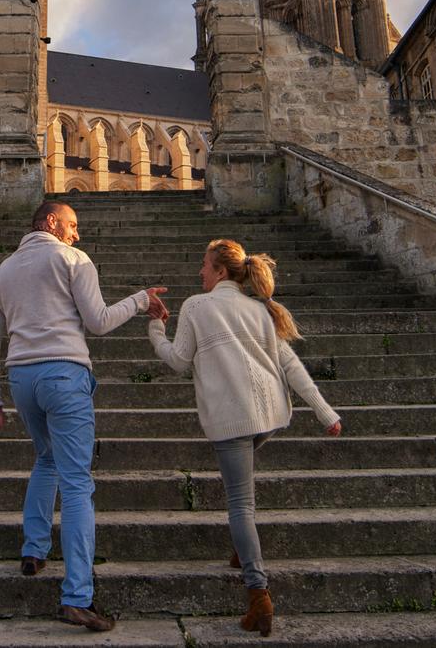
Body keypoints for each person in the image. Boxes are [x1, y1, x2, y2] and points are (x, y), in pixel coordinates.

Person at [0, 200, 167, 632]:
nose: (77, 233)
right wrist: (140, 300)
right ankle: (77, 596)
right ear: (51, 222)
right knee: (78, 482)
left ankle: (33, 549)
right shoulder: (72, 259)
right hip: (64, 372)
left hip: (22, 379)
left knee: (46, 460)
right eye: (72, 224)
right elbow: (98, 322)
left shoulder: (4, 270)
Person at [145, 237, 343, 637]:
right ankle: (242, 547)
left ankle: (258, 595)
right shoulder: (258, 308)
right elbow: (290, 364)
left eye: (205, 265)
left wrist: (155, 329)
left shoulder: (197, 306)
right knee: (243, 490)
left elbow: (179, 361)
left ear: (220, 271)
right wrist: (326, 412)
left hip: (232, 419)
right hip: (269, 415)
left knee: (240, 504)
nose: (200, 271)